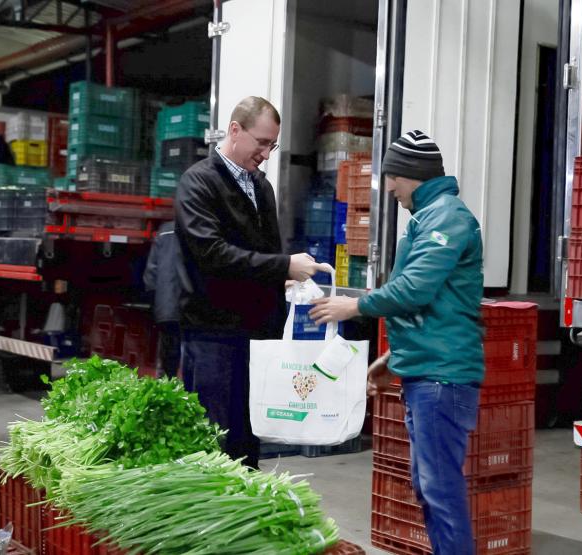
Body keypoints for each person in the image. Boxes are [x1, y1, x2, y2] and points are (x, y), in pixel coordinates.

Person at [310, 130, 484, 555]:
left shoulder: (446, 217)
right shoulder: (428, 216)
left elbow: (416, 289)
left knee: (440, 490)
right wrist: (393, 357)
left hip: (443, 378)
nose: (388, 187)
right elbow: (435, 307)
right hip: (427, 370)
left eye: (392, 177)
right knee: (429, 486)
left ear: (413, 175)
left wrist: (355, 306)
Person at [175, 96, 327, 469]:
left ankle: (246, 507)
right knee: (215, 439)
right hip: (213, 333)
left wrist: (284, 283)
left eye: (272, 145)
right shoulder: (199, 182)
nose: (266, 153)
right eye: (261, 143)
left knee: (247, 437)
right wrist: (282, 267)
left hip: (257, 335)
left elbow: (264, 251)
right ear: (234, 130)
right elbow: (211, 254)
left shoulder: (261, 186)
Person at [143, 221, 184, 383]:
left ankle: (166, 385)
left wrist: (154, 298)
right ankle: (187, 388)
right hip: (190, 304)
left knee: (167, 347)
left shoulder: (164, 231)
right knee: (190, 348)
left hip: (165, 304)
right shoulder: (199, 227)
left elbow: (151, 272)